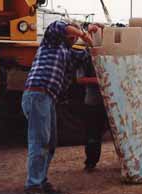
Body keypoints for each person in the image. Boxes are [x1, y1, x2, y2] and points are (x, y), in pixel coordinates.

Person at [21, 20, 99, 194]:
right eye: (72, 33)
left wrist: (93, 34)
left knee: (50, 142)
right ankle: (33, 184)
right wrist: (84, 33)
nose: (73, 36)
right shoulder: (51, 41)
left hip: (46, 98)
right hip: (37, 94)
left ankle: (40, 181)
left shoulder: (68, 53)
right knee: (40, 141)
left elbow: (90, 53)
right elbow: (60, 27)